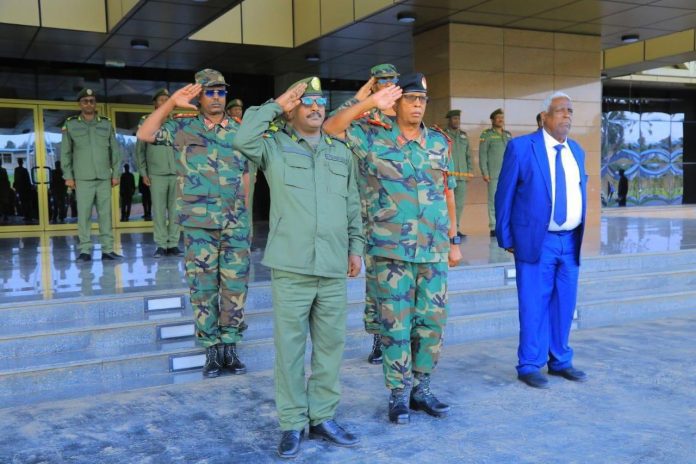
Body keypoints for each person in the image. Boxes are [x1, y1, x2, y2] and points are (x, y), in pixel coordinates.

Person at [233, 77, 363, 459]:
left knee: (329, 347)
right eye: (306, 102)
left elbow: (352, 204)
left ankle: (322, 416)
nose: (315, 108)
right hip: (291, 266)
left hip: (333, 266)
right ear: (294, 107)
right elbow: (242, 138)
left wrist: (355, 248)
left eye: (320, 103)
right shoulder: (273, 146)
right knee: (289, 350)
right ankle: (292, 422)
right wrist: (277, 103)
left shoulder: (341, 151)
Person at [324, 73, 462, 425]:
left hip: (433, 250)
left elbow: (447, 193)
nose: (417, 105)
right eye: (410, 99)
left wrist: (453, 241)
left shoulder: (439, 143)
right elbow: (331, 127)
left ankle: (422, 389)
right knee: (395, 327)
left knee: (430, 324)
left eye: (422, 100)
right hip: (391, 252)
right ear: (396, 102)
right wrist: (370, 101)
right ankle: (398, 394)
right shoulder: (371, 137)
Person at [137, 69, 250, 379]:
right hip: (198, 224)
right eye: (210, 92)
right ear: (199, 97)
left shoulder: (240, 131)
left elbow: (245, 176)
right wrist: (172, 102)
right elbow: (145, 134)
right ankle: (212, 349)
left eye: (221, 92)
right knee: (203, 287)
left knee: (235, 286)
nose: (217, 97)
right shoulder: (183, 127)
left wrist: (247, 218)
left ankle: (230, 346)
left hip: (234, 223)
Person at [495, 91, 588, 389]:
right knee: (534, 303)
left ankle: (560, 360)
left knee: (564, 304)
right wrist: (506, 236)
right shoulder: (522, 148)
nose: (567, 116)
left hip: (570, 241)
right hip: (537, 240)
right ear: (544, 117)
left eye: (570, 111)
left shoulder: (577, 151)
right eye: (560, 110)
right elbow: (504, 194)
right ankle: (529, 364)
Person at [333, 63, 400, 365]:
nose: (387, 85)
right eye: (380, 81)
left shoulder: (408, 117)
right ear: (373, 85)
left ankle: (400, 337)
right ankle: (378, 338)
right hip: (370, 212)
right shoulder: (365, 118)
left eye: (391, 81)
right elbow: (333, 126)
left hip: (405, 215)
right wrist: (359, 99)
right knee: (376, 280)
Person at [61, 88, 122, 262]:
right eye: (85, 100)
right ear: (79, 104)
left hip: (104, 177)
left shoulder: (106, 123)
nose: (89, 103)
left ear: (95, 104)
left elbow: (115, 151)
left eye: (92, 100)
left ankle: (108, 250)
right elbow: (65, 153)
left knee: (105, 215)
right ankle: (85, 250)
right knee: (84, 215)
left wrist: (115, 173)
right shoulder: (71, 124)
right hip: (82, 178)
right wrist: (68, 176)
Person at [135, 88, 181, 257]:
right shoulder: (146, 122)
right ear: (155, 103)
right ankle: (161, 244)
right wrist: (143, 173)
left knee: (175, 211)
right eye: (161, 99)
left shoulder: (176, 123)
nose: (164, 102)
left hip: (176, 173)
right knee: (159, 211)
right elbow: (140, 150)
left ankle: (174, 244)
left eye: (167, 100)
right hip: (156, 174)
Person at [226, 98, 257, 248]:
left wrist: (255, 172)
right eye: (235, 110)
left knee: (247, 206)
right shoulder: (224, 126)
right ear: (229, 111)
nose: (238, 112)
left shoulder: (246, 127)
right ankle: (233, 238)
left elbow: (254, 150)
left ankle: (247, 238)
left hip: (248, 170)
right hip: (231, 171)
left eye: (240, 109)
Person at [479, 108, 512, 237]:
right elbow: (482, 155)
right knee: (493, 201)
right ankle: (493, 226)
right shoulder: (486, 135)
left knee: (506, 201)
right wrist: (485, 172)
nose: (501, 120)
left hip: (507, 174)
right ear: (492, 120)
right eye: (498, 117)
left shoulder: (507, 135)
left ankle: (504, 225)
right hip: (493, 174)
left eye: (502, 117)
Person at [443, 109, 473, 238]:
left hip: (462, 176)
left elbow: (469, 155)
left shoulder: (464, 136)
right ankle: (446, 229)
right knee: (446, 204)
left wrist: (470, 170)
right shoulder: (443, 135)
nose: (457, 121)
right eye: (454, 119)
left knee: (459, 205)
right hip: (448, 175)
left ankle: (456, 228)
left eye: (458, 119)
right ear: (449, 120)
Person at [13, 158, 31, 222]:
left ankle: (26, 215)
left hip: (20, 189)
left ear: (18, 162)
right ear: (22, 163)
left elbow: (16, 179)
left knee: (23, 202)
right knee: (26, 202)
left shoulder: (16, 170)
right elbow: (28, 180)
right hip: (25, 188)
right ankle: (27, 215)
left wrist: (15, 187)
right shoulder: (25, 170)